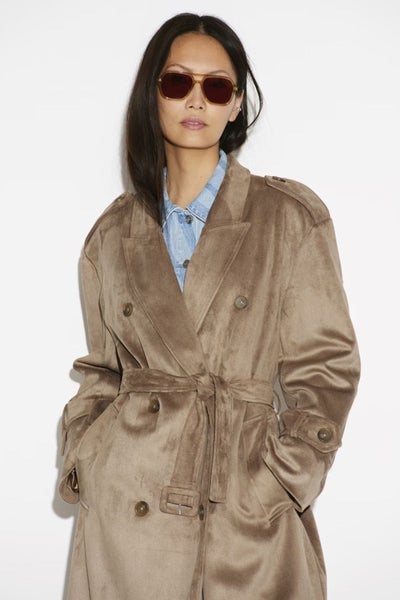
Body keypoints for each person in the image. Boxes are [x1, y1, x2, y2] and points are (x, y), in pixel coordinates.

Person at [59, 12, 360, 600]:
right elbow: (102, 373)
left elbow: (327, 366)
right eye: (177, 82)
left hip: (245, 516)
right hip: (126, 520)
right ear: (153, 94)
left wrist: (282, 478)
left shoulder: (287, 218)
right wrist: (85, 457)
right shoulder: (111, 235)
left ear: (236, 103)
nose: (196, 100)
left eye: (217, 87)